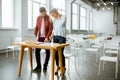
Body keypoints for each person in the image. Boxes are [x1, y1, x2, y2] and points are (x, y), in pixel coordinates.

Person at [33, 7, 53, 72]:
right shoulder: (38, 18)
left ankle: (45, 65)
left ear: (45, 11)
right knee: (37, 51)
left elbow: (50, 29)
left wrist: (47, 37)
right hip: (40, 37)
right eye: (41, 14)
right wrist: (34, 34)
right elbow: (36, 27)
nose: (42, 15)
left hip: (47, 37)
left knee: (47, 51)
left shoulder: (49, 18)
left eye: (43, 14)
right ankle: (39, 66)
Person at [49, 8, 66, 75]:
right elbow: (54, 28)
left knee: (61, 53)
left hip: (62, 37)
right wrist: (51, 35)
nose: (53, 16)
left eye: (53, 14)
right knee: (55, 53)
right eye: (52, 15)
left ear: (56, 12)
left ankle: (63, 67)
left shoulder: (63, 17)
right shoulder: (54, 20)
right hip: (55, 37)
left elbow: (61, 24)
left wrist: (58, 16)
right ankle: (58, 66)